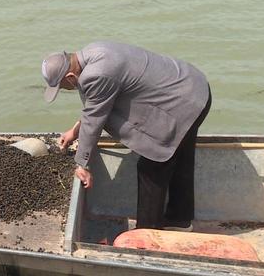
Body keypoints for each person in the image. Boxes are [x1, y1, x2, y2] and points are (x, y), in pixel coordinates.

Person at [41, 41, 211, 231]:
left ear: (71, 76)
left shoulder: (96, 74)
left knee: (151, 166)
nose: (67, 89)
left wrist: (82, 164)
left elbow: (95, 116)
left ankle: (147, 234)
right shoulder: (92, 51)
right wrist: (75, 131)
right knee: (179, 159)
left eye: (63, 86)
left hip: (182, 103)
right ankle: (179, 221)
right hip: (195, 88)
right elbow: (98, 106)